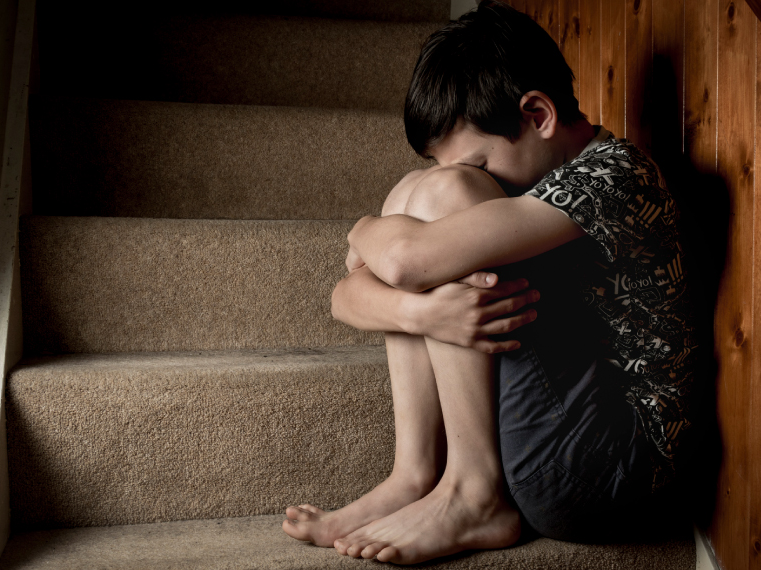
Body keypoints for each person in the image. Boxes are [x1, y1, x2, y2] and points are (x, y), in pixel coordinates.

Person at [282, 1, 699, 564]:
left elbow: (403, 263)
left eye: (477, 164)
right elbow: (344, 296)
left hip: (610, 467)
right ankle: (415, 473)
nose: (463, 177)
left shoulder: (615, 176)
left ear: (537, 115)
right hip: (566, 444)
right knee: (416, 192)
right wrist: (421, 314)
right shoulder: (548, 180)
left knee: (436, 200)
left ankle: (475, 492)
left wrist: (362, 231)